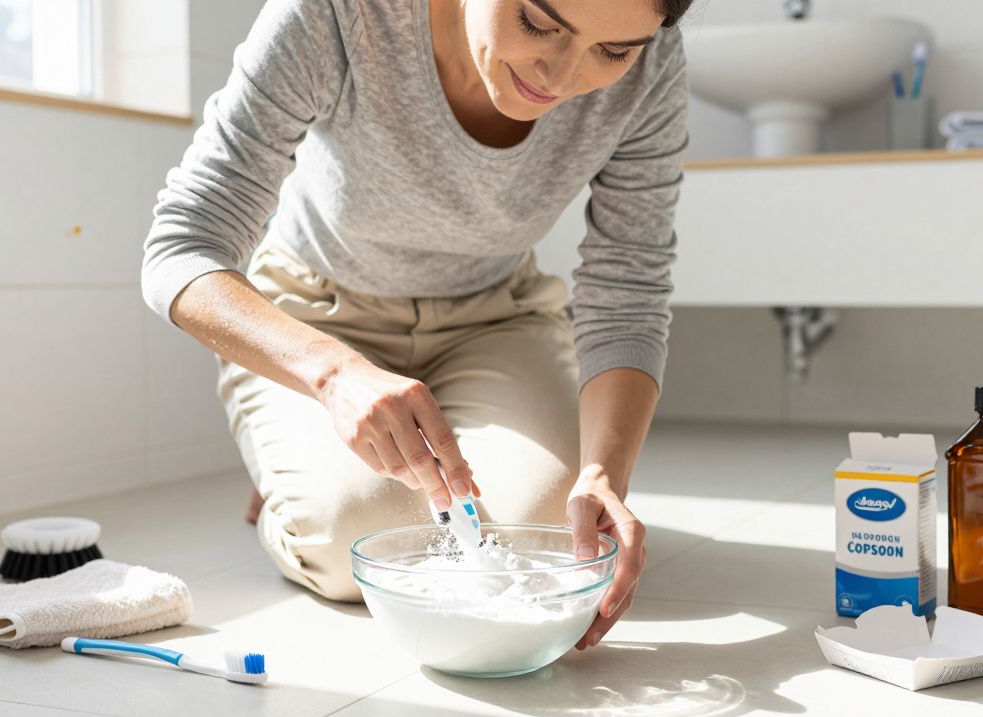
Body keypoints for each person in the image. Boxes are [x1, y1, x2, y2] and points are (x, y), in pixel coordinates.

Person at [142, 0, 692, 651]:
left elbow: (627, 288)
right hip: (317, 316)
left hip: (496, 315)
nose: (561, 76)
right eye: (540, 23)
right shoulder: (336, 16)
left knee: (548, 536)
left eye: (613, 51)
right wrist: (333, 375)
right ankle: (299, 481)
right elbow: (183, 247)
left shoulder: (652, 64)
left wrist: (605, 472)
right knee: (356, 538)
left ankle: (336, 467)